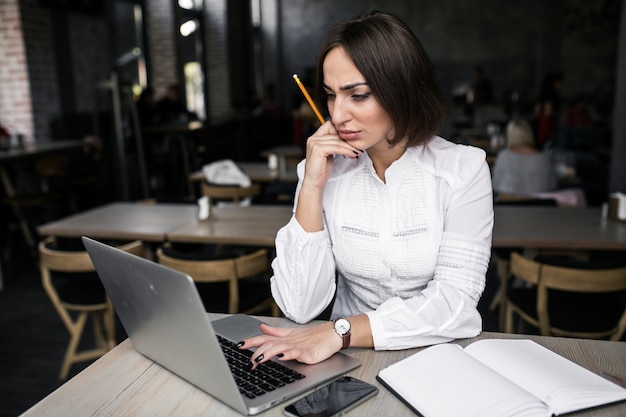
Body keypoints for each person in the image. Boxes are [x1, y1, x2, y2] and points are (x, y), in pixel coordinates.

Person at [239, 10, 494, 367]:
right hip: (343, 359)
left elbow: (456, 302)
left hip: (434, 359)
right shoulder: (323, 171)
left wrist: (341, 330)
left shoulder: (462, 170)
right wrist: (311, 185)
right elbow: (299, 305)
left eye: (357, 95)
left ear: (401, 91)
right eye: (330, 95)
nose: (338, 115)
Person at [491, 117, 558, 196]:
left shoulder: (503, 156)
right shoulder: (544, 158)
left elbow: (495, 185)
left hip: (508, 205)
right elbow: (553, 186)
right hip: (541, 206)